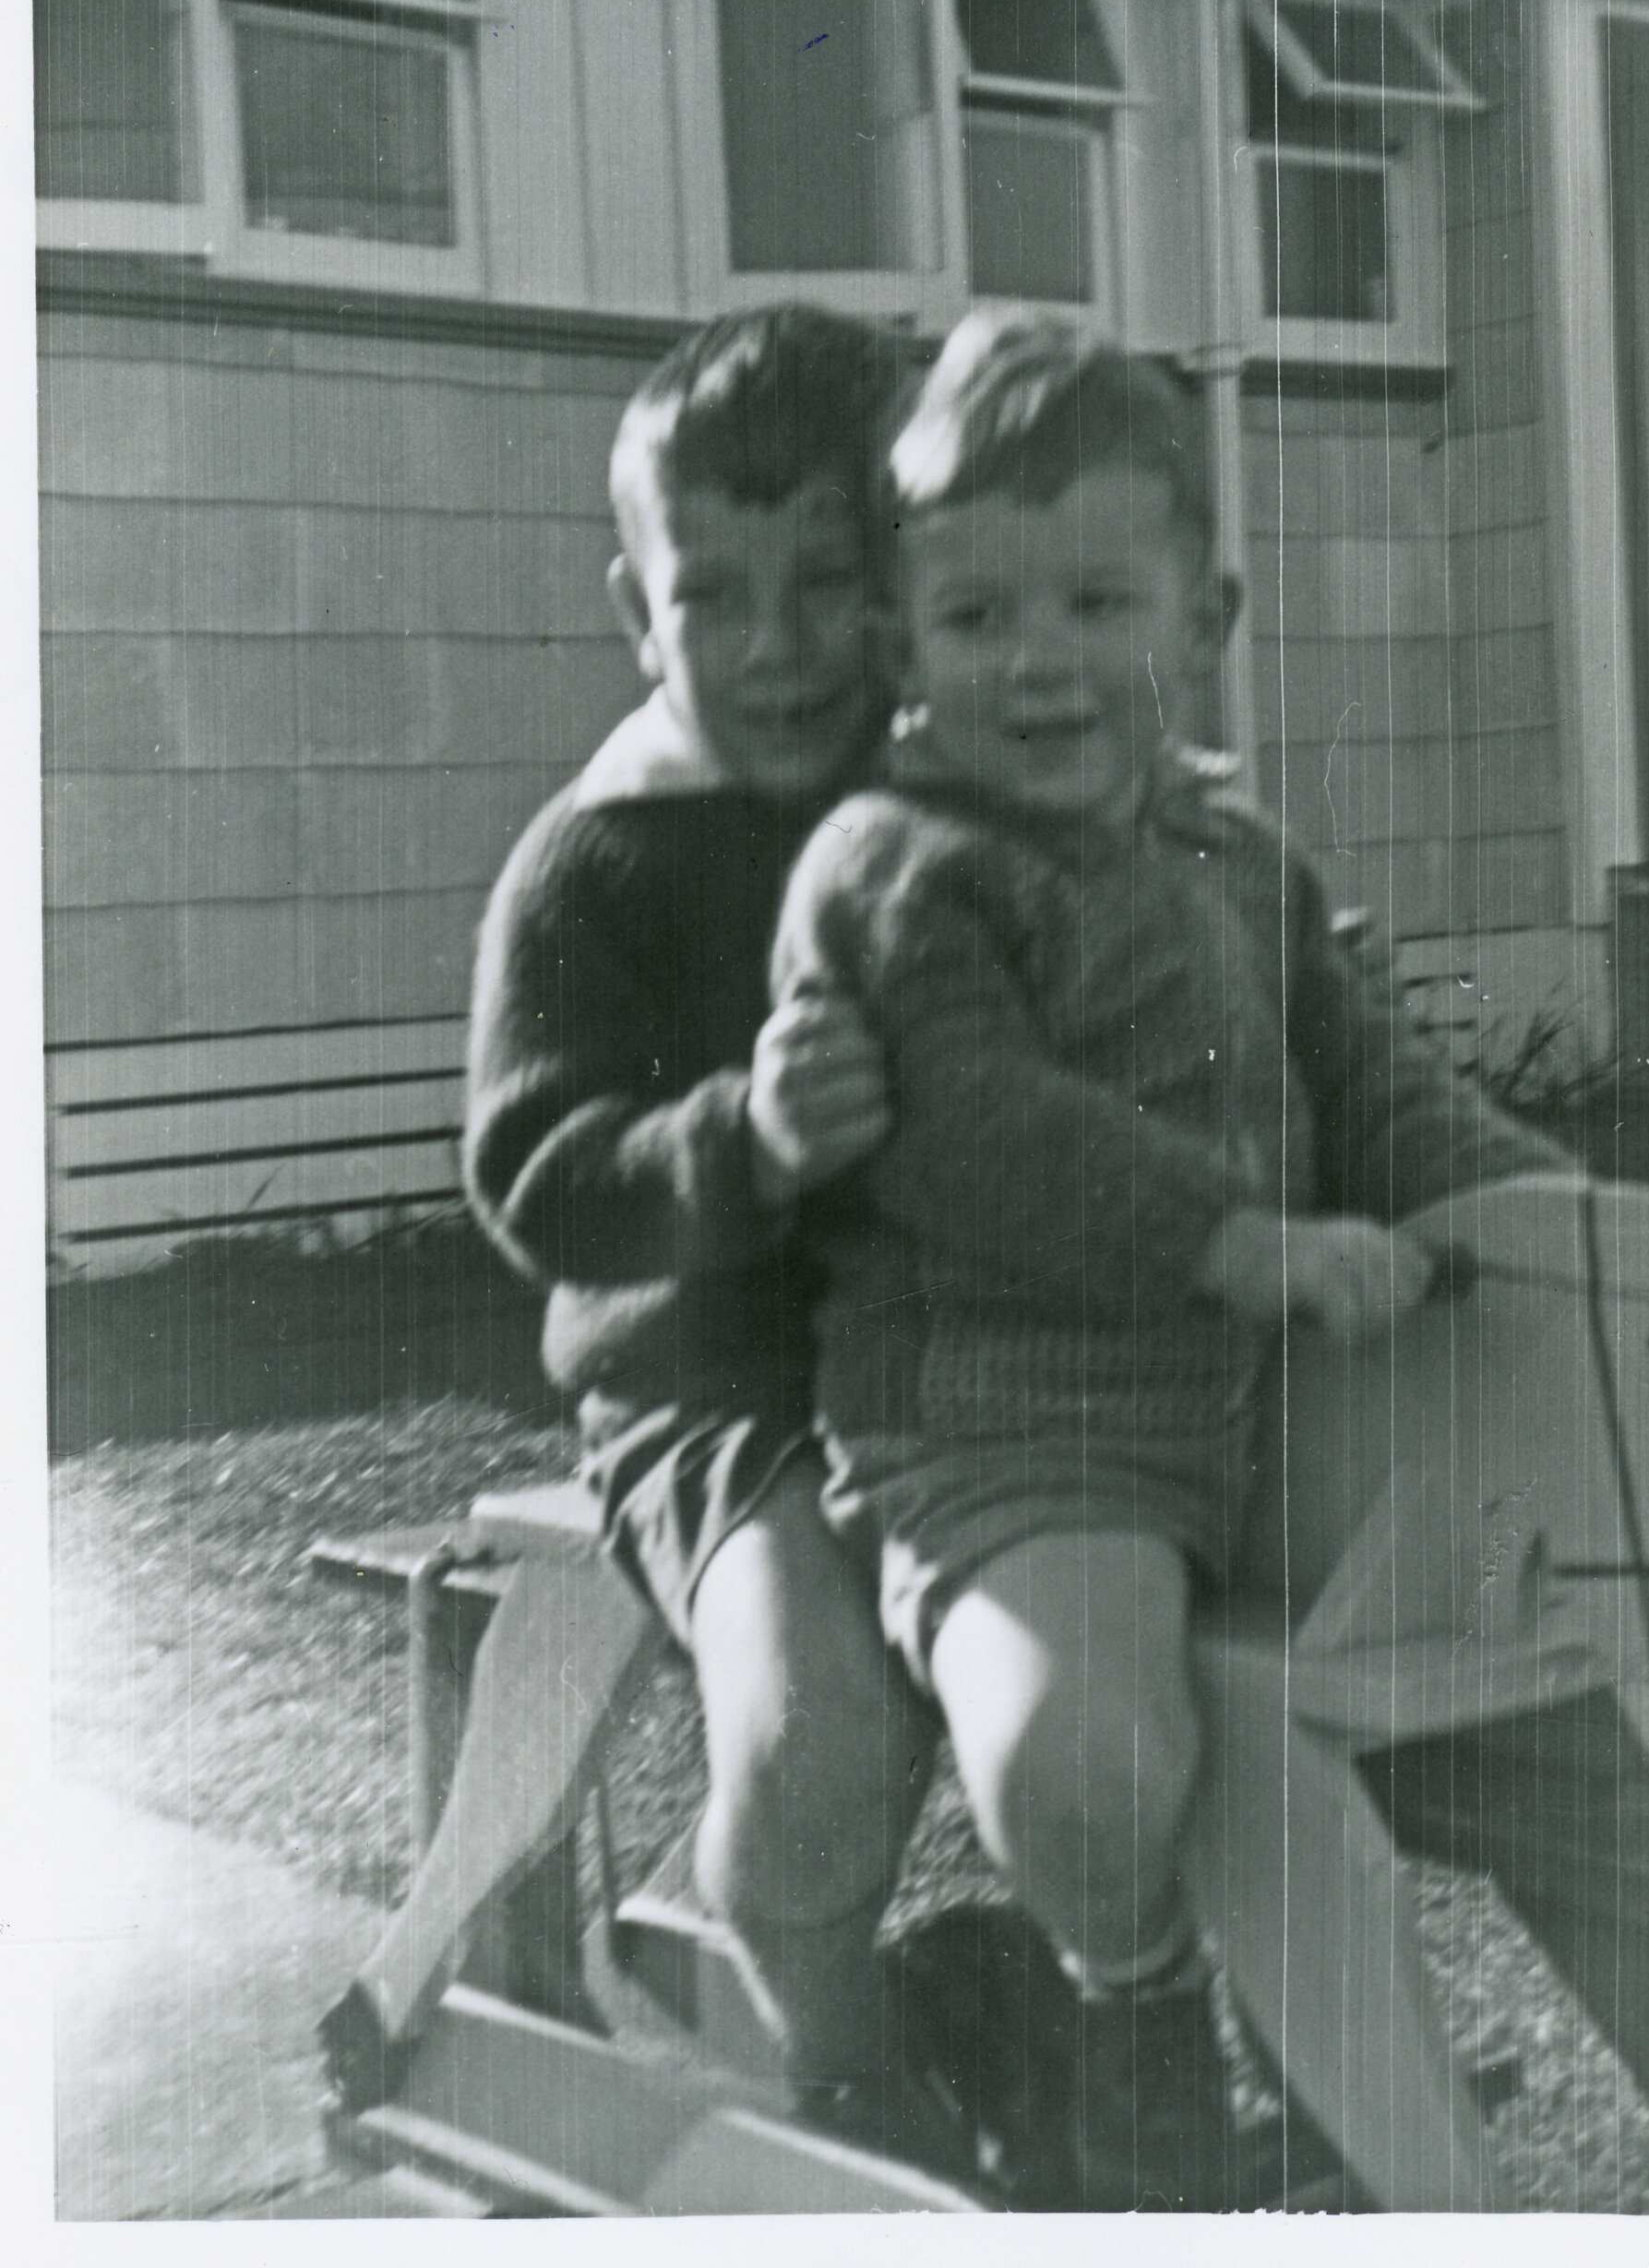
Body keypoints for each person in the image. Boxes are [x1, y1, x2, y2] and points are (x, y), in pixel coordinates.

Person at [762, 310, 1563, 2208]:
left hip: (1255, 1394)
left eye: (1092, 603)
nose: (1036, 662)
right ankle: (1124, 2041)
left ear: (1198, 623)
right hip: (1014, 1420)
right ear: (903, 641)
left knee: (1542, 1646)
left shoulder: (1233, 851)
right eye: (976, 621)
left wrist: (1558, 1226)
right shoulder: (895, 863)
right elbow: (975, 1128)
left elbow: (1376, 1085)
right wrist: (1235, 1236)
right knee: (1090, 1757)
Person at [463, 305, 961, 2173]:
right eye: (714, 595)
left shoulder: (942, 805)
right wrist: (740, 1136)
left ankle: (1133, 2013)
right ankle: (836, 2089)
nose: (772, 645)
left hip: (961, 1355)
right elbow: (532, 1170)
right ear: (634, 613)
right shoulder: (599, 857)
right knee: (819, 1709)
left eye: (827, 583)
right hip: (716, 1391)